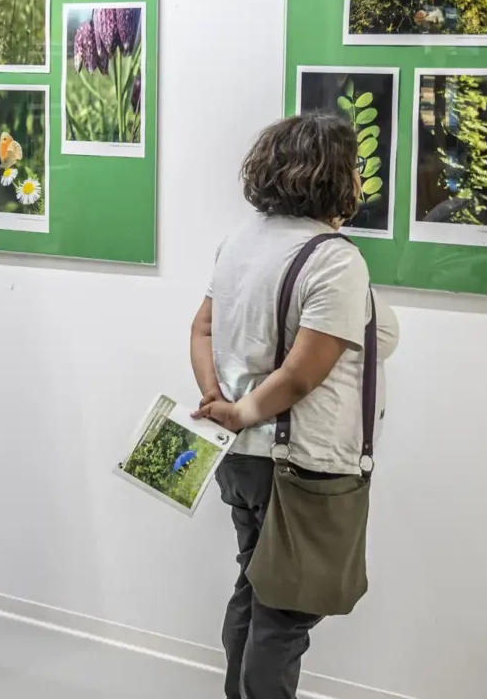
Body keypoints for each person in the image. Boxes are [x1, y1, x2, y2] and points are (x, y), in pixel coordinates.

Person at [189, 112, 399, 699]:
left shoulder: (240, 241)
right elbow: (303, 373)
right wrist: (246, 410)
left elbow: (201, 330)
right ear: (334, 175)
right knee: (284, 616)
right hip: (302, 462)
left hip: (245, 458)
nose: (361, 178)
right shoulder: (333, 258)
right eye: (356, 167)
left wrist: (219, 398)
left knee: (257, 590)